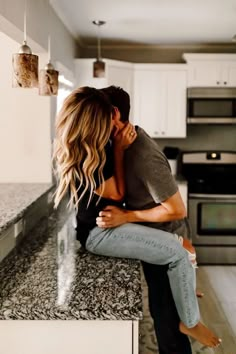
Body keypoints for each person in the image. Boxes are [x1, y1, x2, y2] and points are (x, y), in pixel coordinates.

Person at [53, 86, 221, 350]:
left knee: (182, 251)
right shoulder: (83, 158)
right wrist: (119, 151)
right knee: (179, 252)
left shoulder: (108, 144)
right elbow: (118, 191)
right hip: (99, 233)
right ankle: (190, 320)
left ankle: (186, 297)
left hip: (111, 224)